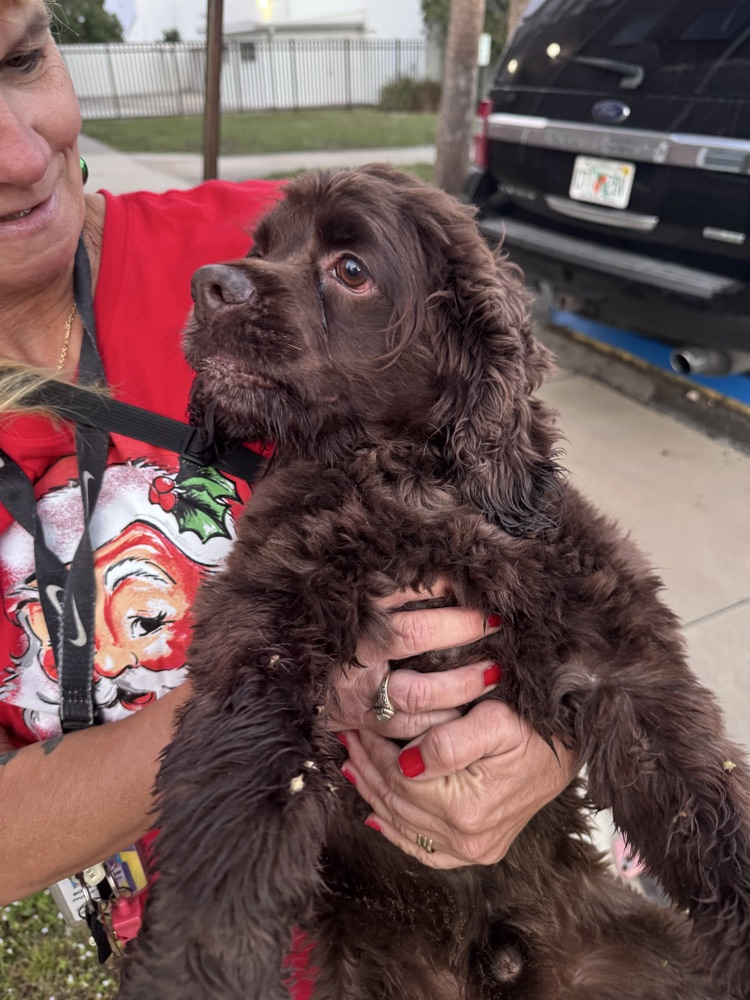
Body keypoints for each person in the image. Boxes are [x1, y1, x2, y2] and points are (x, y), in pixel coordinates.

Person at [0, 0, 575, 986]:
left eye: (20, 59)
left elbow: (520, 488)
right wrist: (289, 686)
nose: (18, 154)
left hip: (496, 927)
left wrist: (547, 732)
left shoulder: (271, 248)